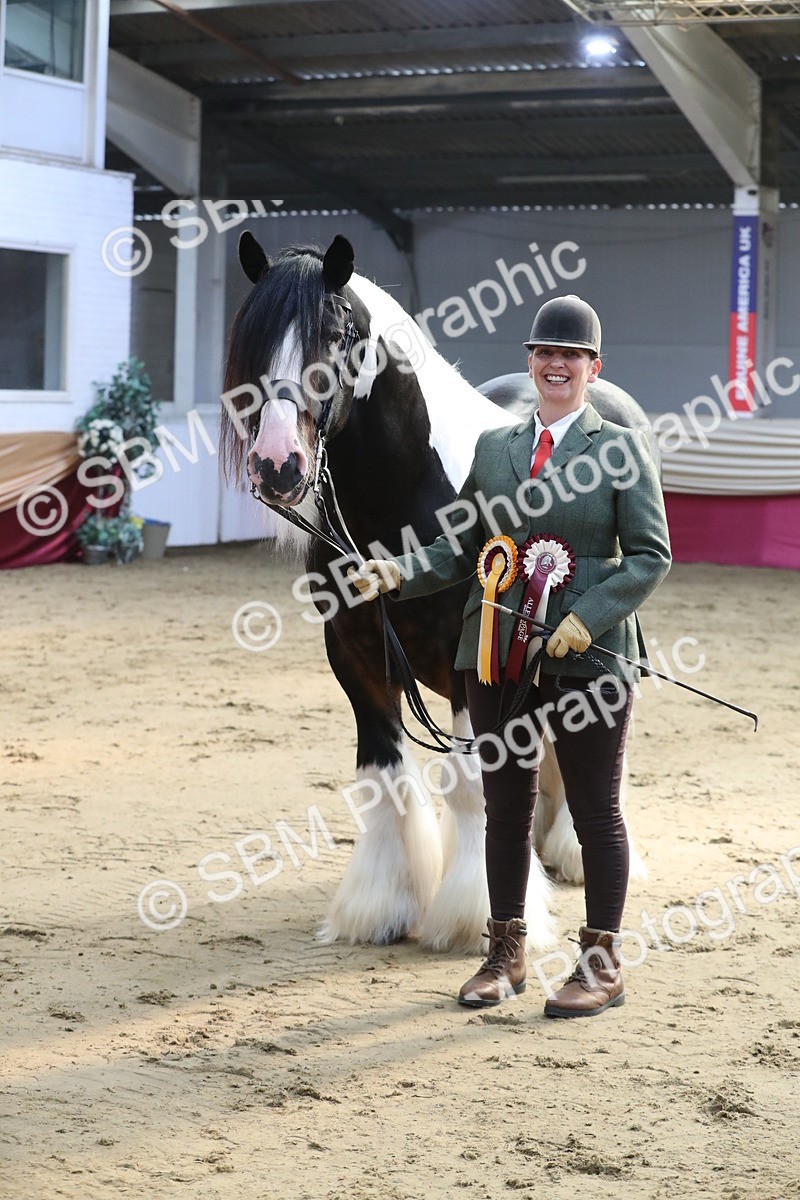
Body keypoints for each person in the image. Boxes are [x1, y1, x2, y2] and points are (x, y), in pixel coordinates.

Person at [348, 295, 671, 1018]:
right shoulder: (495, 449)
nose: (556, 366)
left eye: (572, 356)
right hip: (495, 650)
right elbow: (463, 545)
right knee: (503, 809)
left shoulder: (619, 449)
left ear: (593, 368)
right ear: (530, 363)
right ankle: (506, 953)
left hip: (588, 659)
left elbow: (651, 557)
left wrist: (587, 619)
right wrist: (398, 570)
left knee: (595, 812)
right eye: (545, 354)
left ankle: (601, 965)